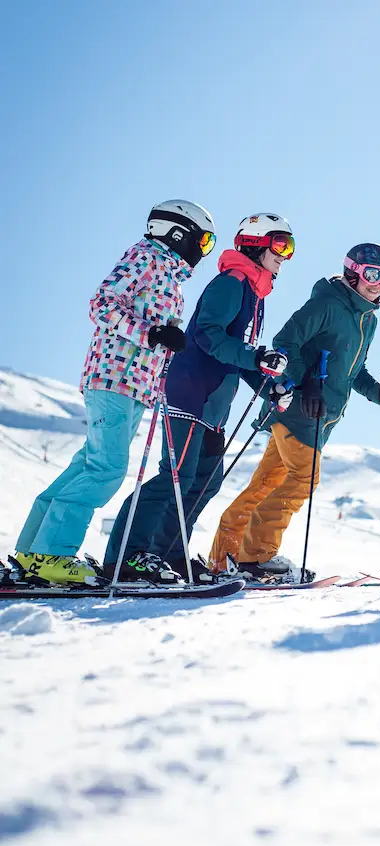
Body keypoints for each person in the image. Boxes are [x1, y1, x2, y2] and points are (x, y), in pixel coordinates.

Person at [12, 200, 216, 587]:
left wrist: (163, 347)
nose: (203, 250)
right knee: (105, 469)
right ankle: (53, 555)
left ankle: (32, 553)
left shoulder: (170, 278)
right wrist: (152, 334)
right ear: (178, 233)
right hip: (115, 377)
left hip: (134, 383)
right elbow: (103, 303)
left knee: (86, 466)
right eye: (203, 239)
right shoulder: (147, 256)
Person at [103, 213, 295, 584]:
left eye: (290, 247)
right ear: (255, 243)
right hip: (191, 391)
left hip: (215, 404)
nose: (285, 255)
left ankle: (169, 553)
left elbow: (238, 351)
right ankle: (125, 557)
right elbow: (208, 336)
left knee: (205, 481)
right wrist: (255, 358)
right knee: (175, 478)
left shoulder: (254, 292)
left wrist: (267, 384)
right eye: (280, 244)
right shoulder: (231, 282)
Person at [208, 243, 380, 581]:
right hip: (297, 407)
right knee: (304, 478)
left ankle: (227, 554)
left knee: (267, 482)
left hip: (320, 417)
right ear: (352, 272)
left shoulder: (367, 320)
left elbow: (353, 370)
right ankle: (257, 556)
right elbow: (285, 342)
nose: (378, 284)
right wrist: (305, 383)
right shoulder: (328, 304)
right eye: (372, 275)